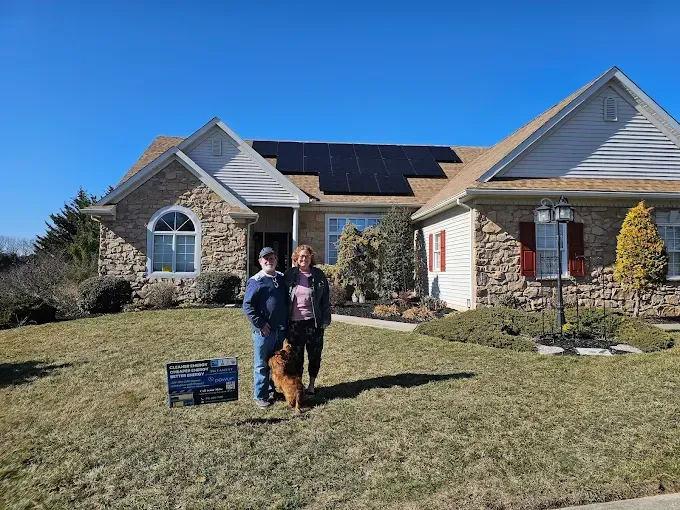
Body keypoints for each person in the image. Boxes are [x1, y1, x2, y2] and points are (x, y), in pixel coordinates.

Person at [242, 247, 288, 408]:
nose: (269, 261)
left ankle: (271, 390)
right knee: (261, 365)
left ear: (276, 260)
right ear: (260, 261)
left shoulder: (281, 278)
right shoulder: (256, 281)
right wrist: (261, 324)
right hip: (264, 333)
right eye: (265, 259)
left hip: (279, 331)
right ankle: (260, 396)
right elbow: (247, 306)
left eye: (272, 258)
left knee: (275, 363)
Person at [284, 244, 331, 395]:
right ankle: (298, 385)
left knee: (314, 355)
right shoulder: (289, 274)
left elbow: (325, 299)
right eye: (301, 256)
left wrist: (325, 319)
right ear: (296, 258)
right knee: (296, 357)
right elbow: (282, 298)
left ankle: (311, 384)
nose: (304, 258)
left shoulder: (318, 275)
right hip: (294, 324)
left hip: (313, 322)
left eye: (307, 256)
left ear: (311, 258)